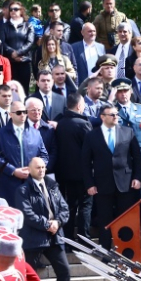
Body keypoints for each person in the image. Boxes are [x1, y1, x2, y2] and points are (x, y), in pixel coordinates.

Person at [18, 157, 80, 281]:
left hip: (54, 236)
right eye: (38, 168)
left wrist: (57, 223)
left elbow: (64, 208)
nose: (41, 170)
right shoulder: (23, 190)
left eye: (43, 167)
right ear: (30, 170)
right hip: (34, 238)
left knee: (64, 270)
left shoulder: (52, 186)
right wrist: (47, 224)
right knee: (29, 277)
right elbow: (28, 214)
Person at [82, 104, 141, 248]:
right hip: (103, 184)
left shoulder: (128, 132)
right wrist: (89, 184)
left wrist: (137, 177)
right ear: (102, 117)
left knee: (126, 218)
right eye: (112, 115)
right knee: (105, 220)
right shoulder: (92, 135)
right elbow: (85, 162)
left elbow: (137, 158)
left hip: (125, 183)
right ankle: (106, 250)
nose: (116, 117)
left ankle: (126, 250)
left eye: (117, 114)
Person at [54, 93, 95, 240]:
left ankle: (69, 239)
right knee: (85, 206)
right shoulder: (83, 124)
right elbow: (91, 149)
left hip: (65, 174)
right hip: (83, 174)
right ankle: (84, 239)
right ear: (79, 106)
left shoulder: (61, 123)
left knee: (70, 206)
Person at [0, 100, 48, 202]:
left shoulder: (35, 133)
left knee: (31, 216)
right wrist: (13, 170)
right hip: (9, 184)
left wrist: (35, 169)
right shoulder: (1, 133)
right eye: (18, 112)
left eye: (24, 112)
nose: (22, 115)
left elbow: (44, 156)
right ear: (10, 115)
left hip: (31, 183)